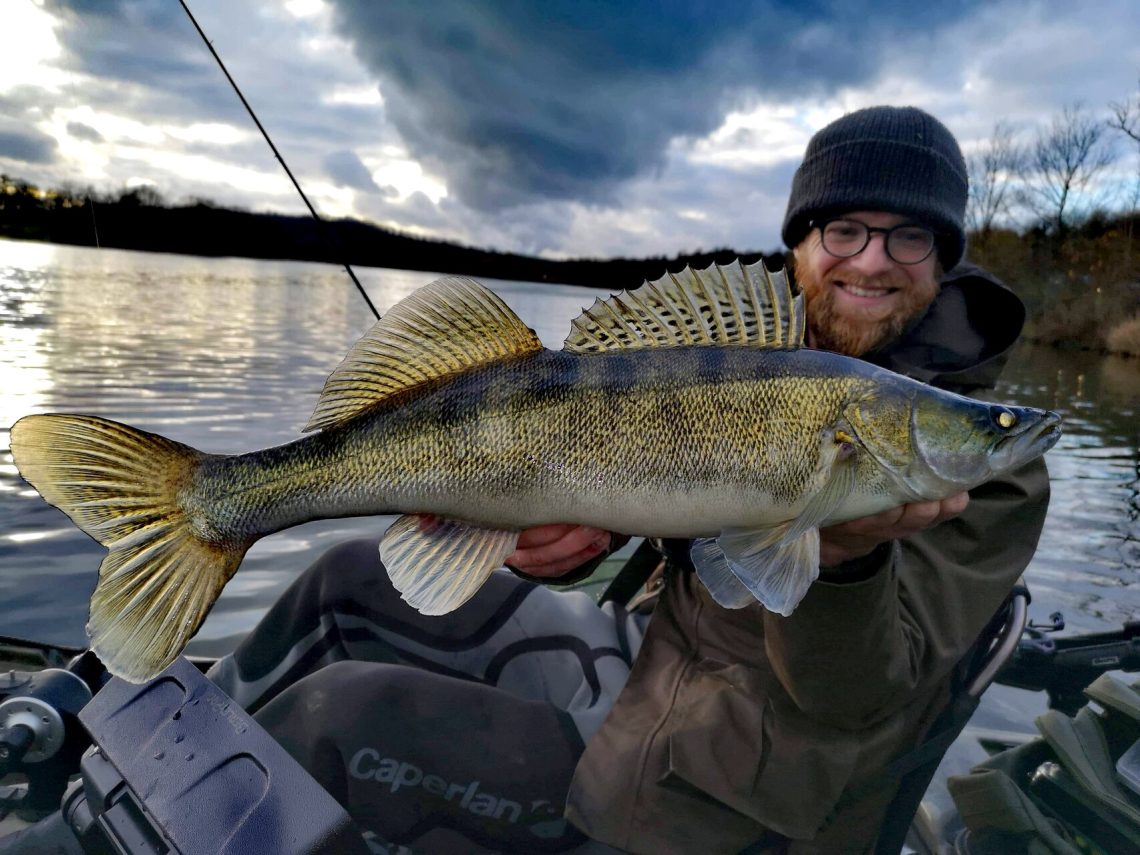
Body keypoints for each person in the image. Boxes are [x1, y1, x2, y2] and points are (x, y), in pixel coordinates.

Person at [205, 106, 1051, 854]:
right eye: (844, 230)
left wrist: (848, 563)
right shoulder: (741, 359)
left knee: (342, 720)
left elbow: (857, 700)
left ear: (943, 260)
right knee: (341, 578)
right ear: (800, 244)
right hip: (647, 670)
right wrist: (564, 541)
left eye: (910, 236)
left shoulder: (995, 483)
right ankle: (177, 648)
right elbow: (644, 495)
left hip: (709, 802)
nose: (873, 261)